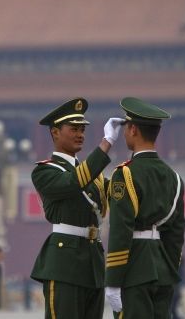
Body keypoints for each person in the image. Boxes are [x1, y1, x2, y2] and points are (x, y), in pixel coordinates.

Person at [30, 97, 123, 319]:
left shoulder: (94, 176)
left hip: (93, 263)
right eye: (73, 129)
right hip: (64, 264)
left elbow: (120, 195)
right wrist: (106, 143)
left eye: (82, 129)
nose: (80, 134)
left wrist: (141, 157)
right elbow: (73, 182)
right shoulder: (45, 171)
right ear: (55, 132)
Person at [105, 97, 185, 319]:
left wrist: (112, 280)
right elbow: (176, 234)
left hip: (134, 269)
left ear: (132, 130)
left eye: (125, 129)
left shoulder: (125, 174)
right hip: (163, 270)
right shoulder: (175, 179)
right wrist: (168, 269)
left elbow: (121, 229)